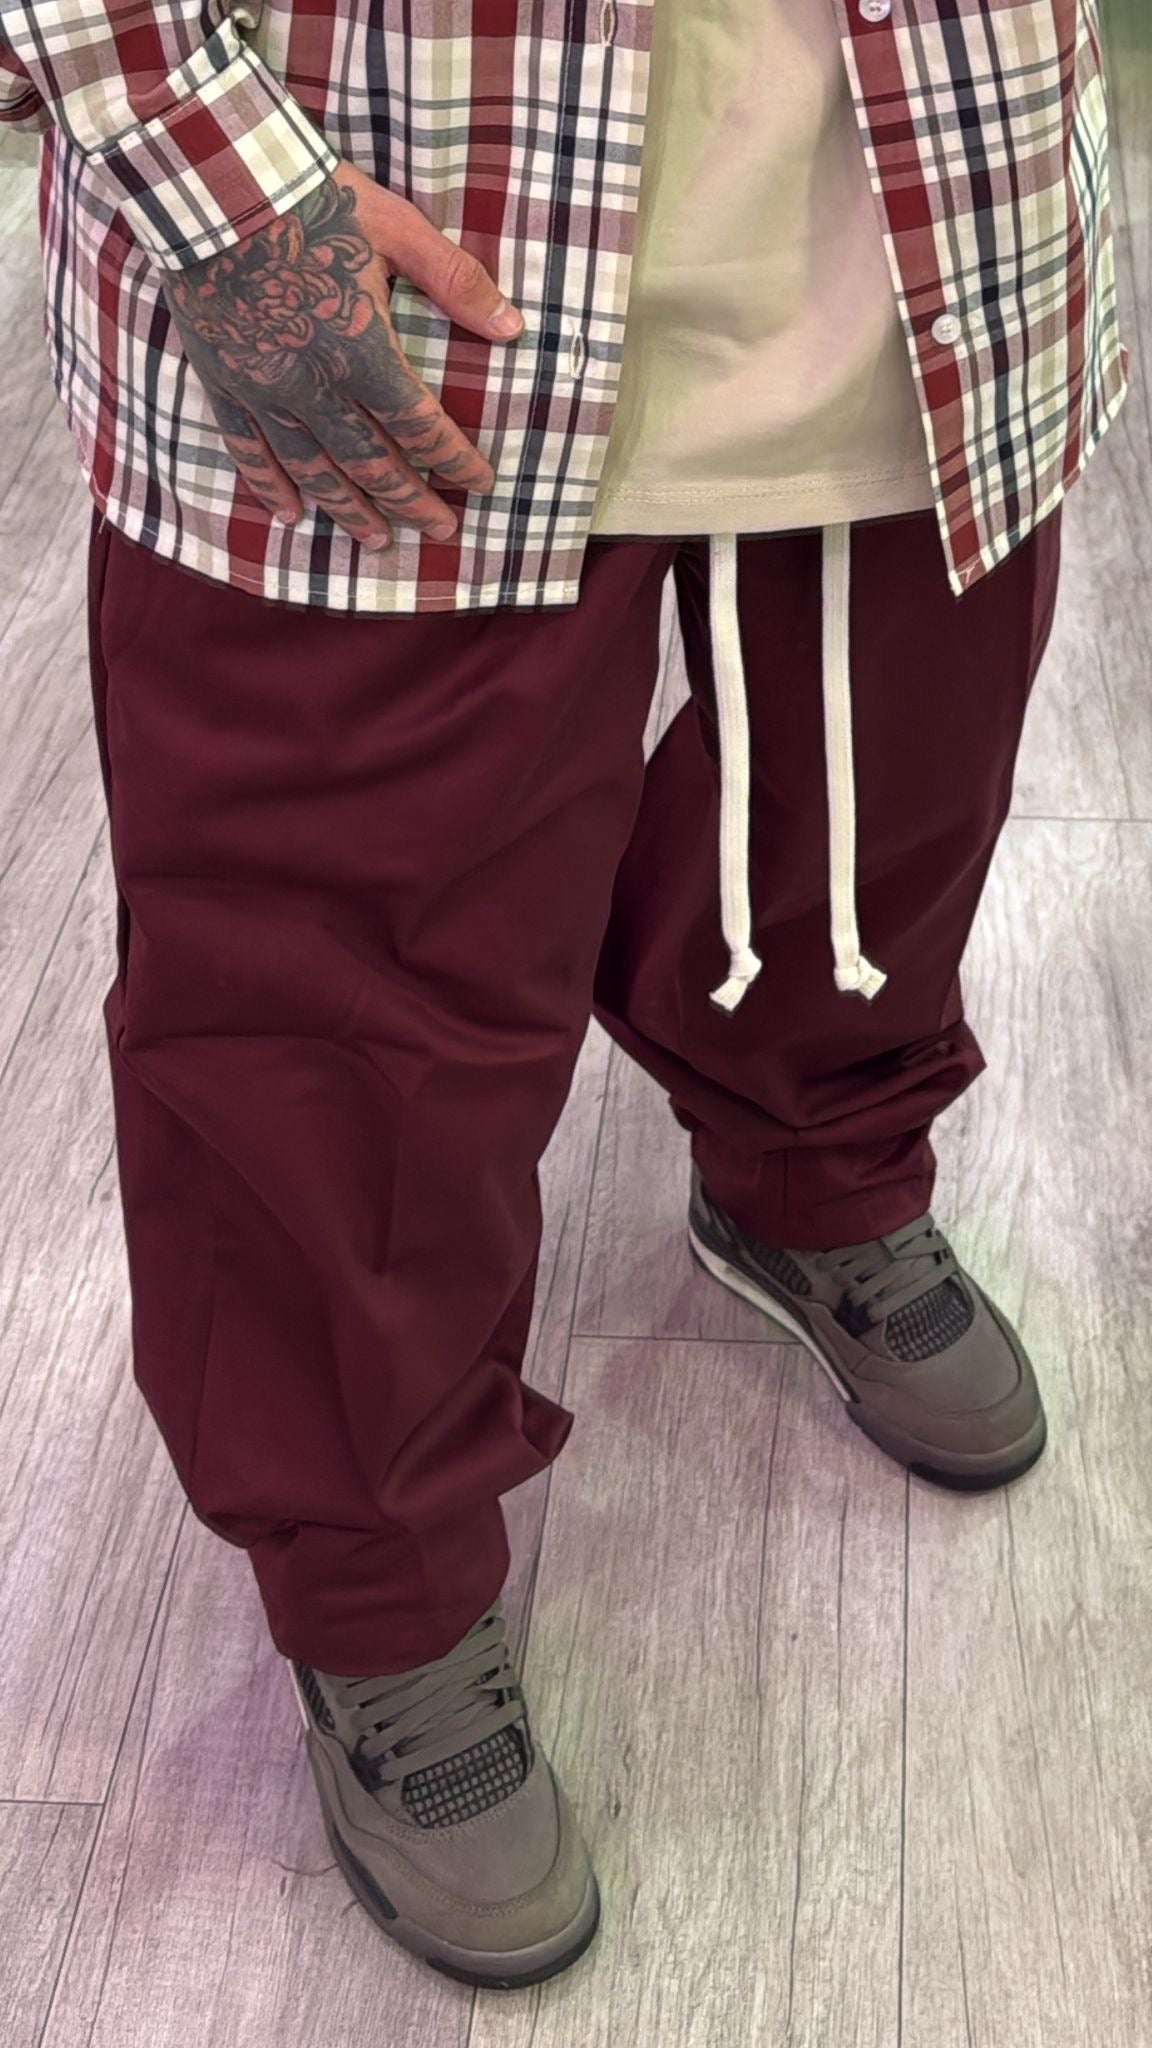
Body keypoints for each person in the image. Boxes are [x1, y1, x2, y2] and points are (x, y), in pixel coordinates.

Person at [1, 0, 1126, 1994]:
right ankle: (376, 1572)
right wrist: (198, 157)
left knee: (880, 812)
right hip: (386, 194)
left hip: (929, 195)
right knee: (330, 1002)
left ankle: (815, 1166)